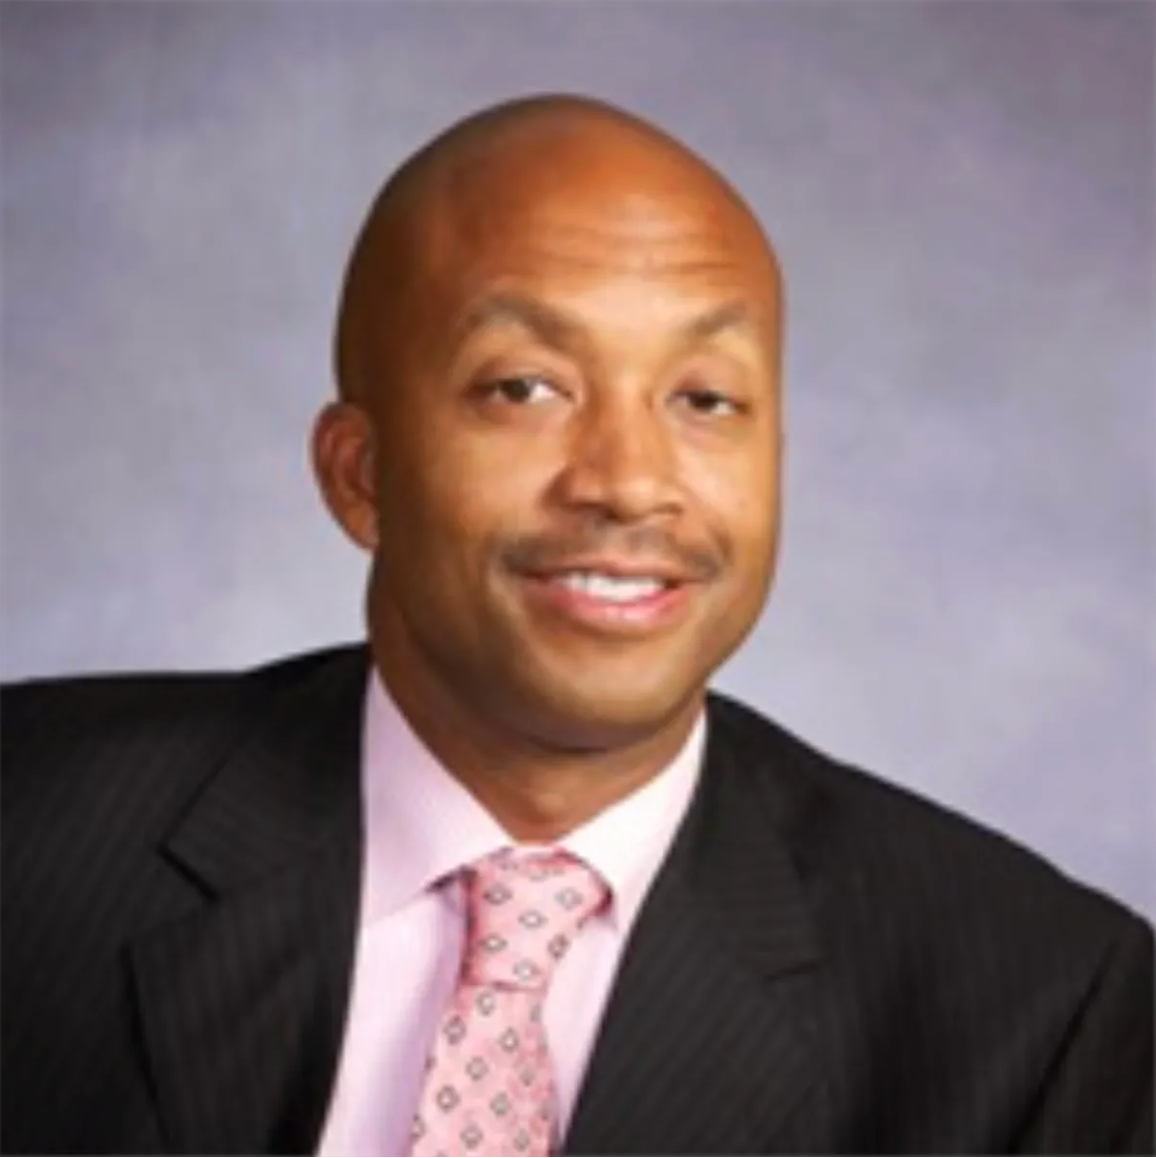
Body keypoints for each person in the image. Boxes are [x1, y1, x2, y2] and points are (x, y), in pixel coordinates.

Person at [2, 93, 1151, 1158]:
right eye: (526, 389)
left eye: (704, 400)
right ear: (359, 475)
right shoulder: (29, 833)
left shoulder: (1047, 1011)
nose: (629, 483)